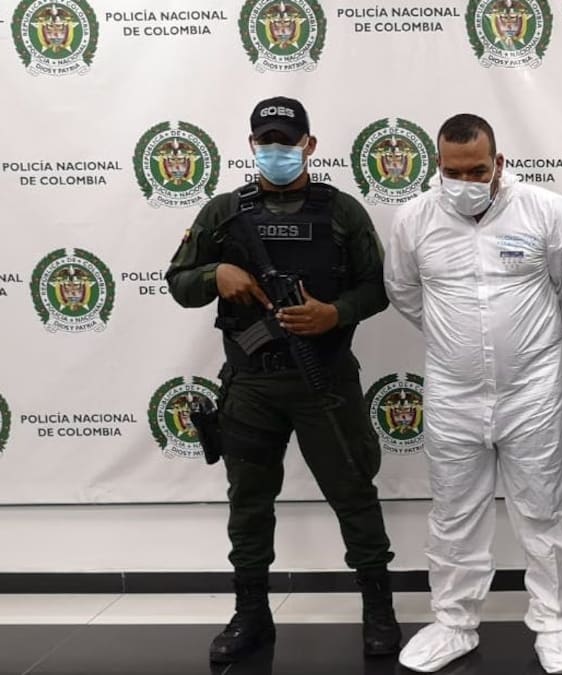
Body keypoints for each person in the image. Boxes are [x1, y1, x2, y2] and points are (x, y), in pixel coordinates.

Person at [165, 96, 400, 663]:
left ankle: (378, 608)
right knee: (248, 502)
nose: (276, 150)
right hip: (252, 384)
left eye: (287, 141)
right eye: (266, 141)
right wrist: (216, 273)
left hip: (325, 380)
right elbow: (179, 281)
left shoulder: (342, 212)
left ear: (309, 145)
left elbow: (379, 287)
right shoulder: (224, 212)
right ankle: (250, 613)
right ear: (252, 145)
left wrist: (334, 314)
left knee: (354, 494)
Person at [383, 114, 562, 674]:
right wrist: (456, 341)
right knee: (453, 512)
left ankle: (558, 624)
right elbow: (404, 291)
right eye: (453, 172)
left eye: (478, 170)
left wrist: (527, 344)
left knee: (544, 509)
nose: (466, 182)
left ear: (499, 162)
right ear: (438, 165)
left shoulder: (546, 211)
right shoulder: (413, 219)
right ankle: (453, 622)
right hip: (452, 393)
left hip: (533, 390)